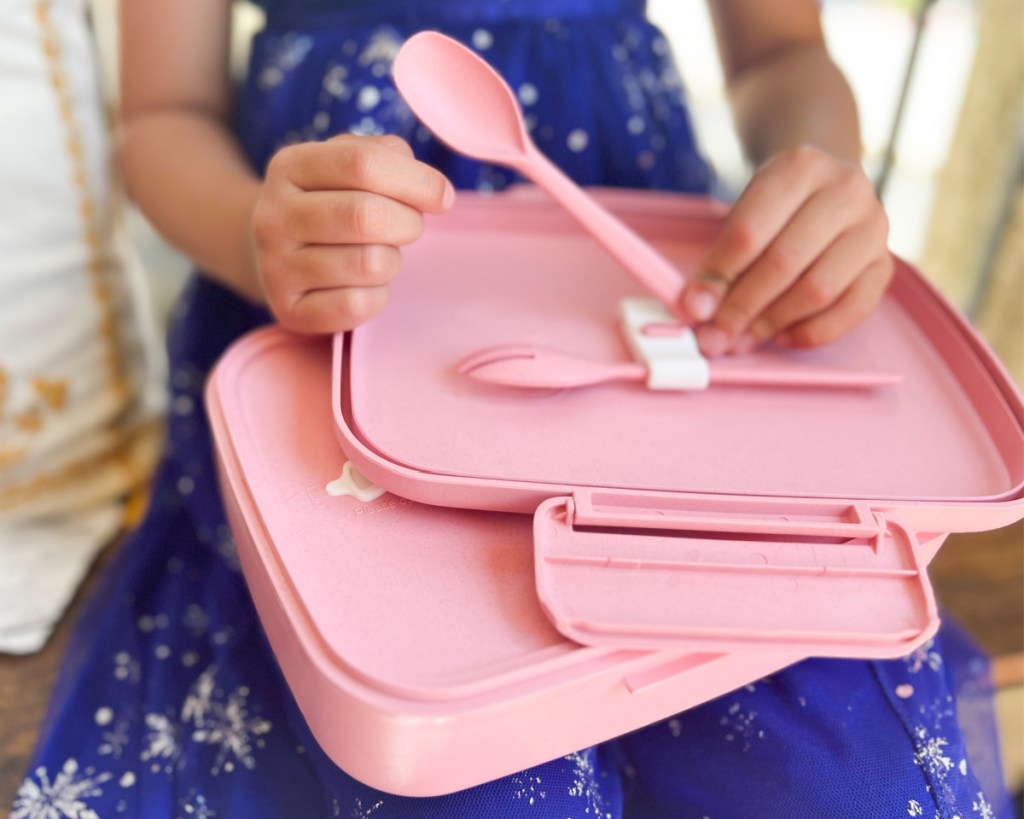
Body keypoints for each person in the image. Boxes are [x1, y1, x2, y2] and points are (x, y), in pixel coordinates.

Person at [11, 1, 1011, 817]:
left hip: (655, 302)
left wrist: (819, 172)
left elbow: (783, 52)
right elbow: (163, 112)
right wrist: (248, 231)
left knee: (841, 781)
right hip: (333, 318)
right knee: (475, 779)